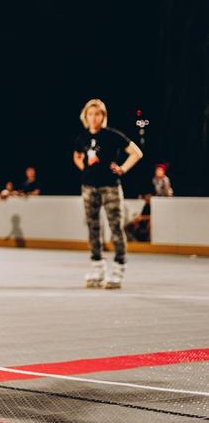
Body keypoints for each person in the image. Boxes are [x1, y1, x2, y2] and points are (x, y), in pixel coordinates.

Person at [73, 98, 143, 289]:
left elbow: (136, 152)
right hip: (88, 187)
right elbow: (77, 155)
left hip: (110, 187)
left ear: (103, 116)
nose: (93, 118)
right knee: (93, 227)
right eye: (90, 114)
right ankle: (97, 267)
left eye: (97, 114)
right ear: (85, 116)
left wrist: (122, 169)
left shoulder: (112, 135)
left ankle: (119, 268)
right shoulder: (82, 137)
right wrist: (84, 168)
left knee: (115, 227)